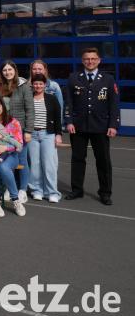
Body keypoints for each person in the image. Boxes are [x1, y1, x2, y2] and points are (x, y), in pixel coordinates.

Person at [64, 47, 119, 205]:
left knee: (103, 161)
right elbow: (69, 103)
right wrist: (69, 121)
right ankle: (77, 190)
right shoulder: (74, 78)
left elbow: (114, 104)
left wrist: (113, 125)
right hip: (79, 126)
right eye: (87, 59)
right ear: (82, 61)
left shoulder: (108, 79)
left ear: (99, 60)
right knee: (77, 159)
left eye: (93, 59)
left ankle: (105, 193)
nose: (90, 61)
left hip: (101, 127)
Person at [0, 60, 34, 203]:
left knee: (22, 160)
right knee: (8, 160)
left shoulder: (23, 86)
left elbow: (30, 110)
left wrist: (28, 131)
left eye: (10, 69)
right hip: (4, 130)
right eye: (5, 70)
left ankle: (23, 190)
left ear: (15, 70)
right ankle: (10, 187)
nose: (7, 72)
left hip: (20, 130)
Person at [27, 74, 63, 203]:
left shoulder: (51, 98)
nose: (38, 86)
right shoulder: (28, 98)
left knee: (49, 165)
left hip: (48, 134)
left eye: (40, 83)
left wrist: (58, 134)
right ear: (32, 85)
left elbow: (58, 118)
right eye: (35, 83)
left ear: (45, 85)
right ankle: (37, 190)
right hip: (32, 135)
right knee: (35, 165)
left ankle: (52, 192)